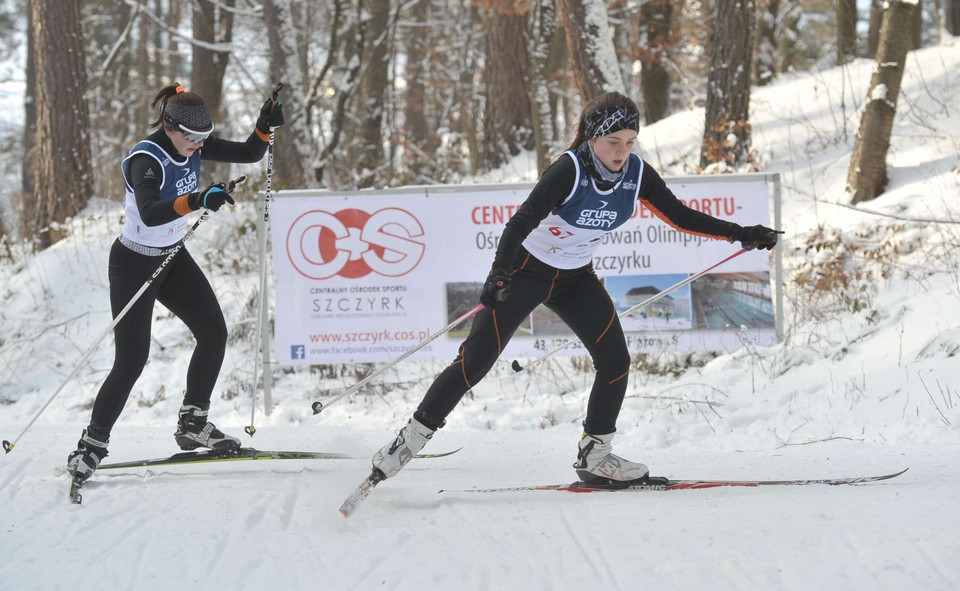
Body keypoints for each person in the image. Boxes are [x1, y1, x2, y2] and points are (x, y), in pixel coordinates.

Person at [370, 92, 778, 485]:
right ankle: (407, 442)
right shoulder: (569, 170)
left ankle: (595, 456)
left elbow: (680, 216)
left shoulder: (636, 174)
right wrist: (499, 273)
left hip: (575, 278)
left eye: (630, 142)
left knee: (615, 360)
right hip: (526, 272)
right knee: (474, 362)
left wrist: (741, 234)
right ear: (592, 138)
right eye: (613, 142)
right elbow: (520, 223)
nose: (622, 152)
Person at [66, 83, 285, 482]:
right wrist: (200, 199)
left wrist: (263, 127)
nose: (199, 145)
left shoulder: (192, 143)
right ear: (170, 126)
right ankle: (91, 446)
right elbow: (150, 213)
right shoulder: (146, 159)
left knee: (213, 332)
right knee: (132, 360)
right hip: (133, 264)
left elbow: (249, 154)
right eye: (192, 138)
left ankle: (192, 422)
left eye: (205, 138)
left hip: (170, 258)